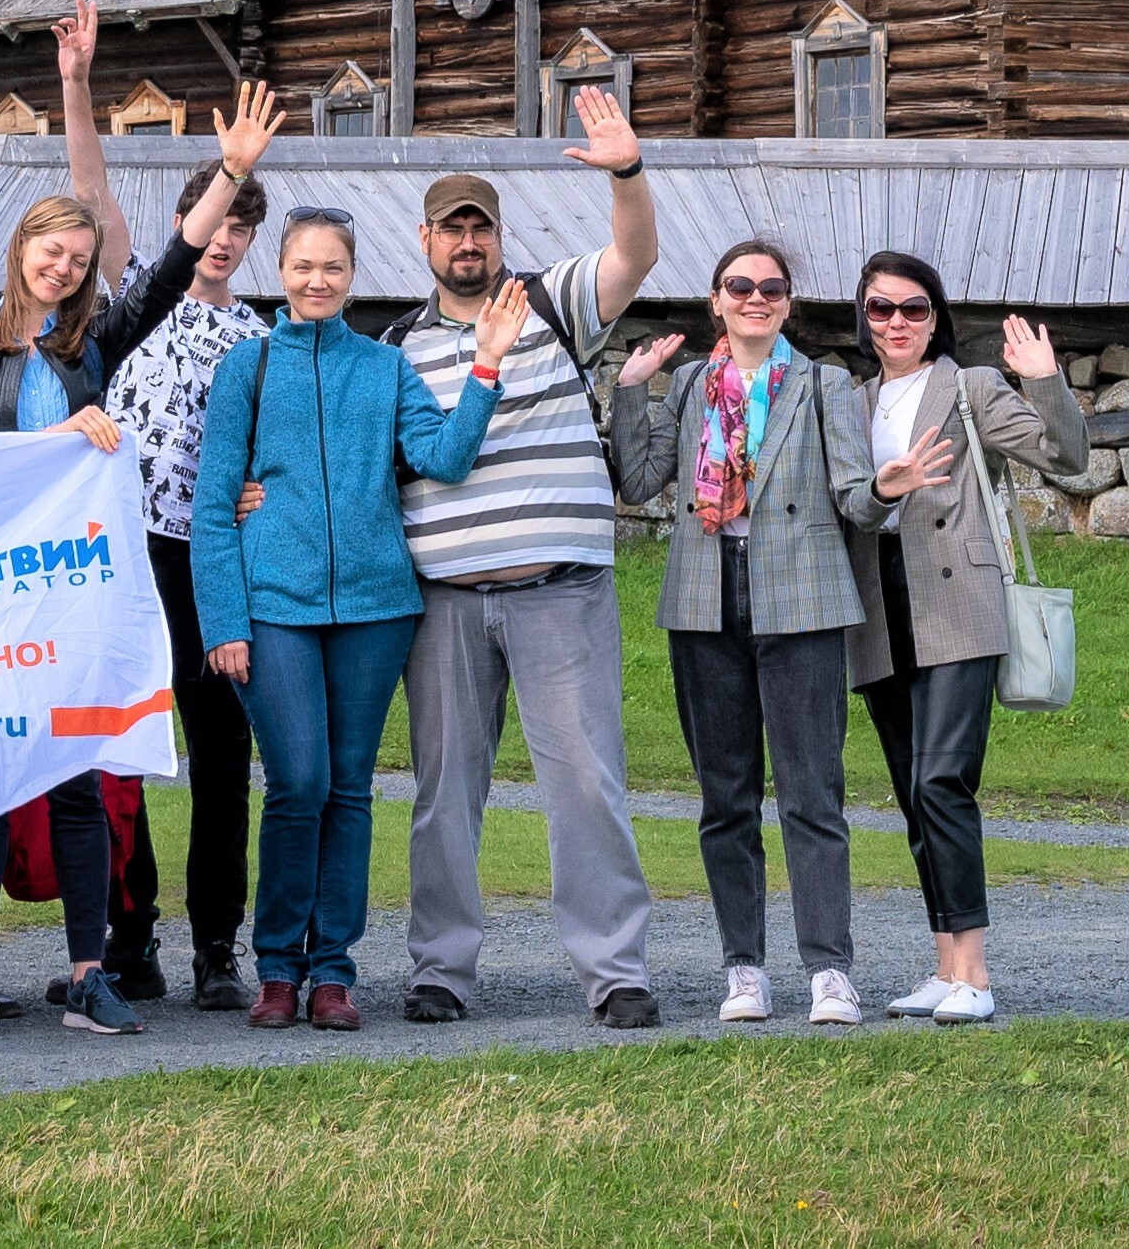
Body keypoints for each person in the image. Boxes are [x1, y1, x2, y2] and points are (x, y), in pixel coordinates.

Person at [190, 210, 516, 1031]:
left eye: (333, 267)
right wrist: (223, 618)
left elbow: (442, 457)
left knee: (348, 787)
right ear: (283, 268)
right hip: (273, 608)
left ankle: (333, 970)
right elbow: (211, 504)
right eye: (303, 265)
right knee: (296, 781)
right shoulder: (248, 367)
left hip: (377, 607)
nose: (317, 281)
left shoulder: (384, 367)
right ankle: (275, 967)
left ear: (353, 272)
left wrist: (484, 369)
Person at [389, 84, 664, 1031]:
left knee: (587, 781)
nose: (468, 243)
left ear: (499, 237)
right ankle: (441, 969)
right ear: (424, 244)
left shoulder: (551, 305)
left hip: (560, 591)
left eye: (481, 228)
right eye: (450, 230)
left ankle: (614, 969)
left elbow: (636, 253)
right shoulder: (395, 348)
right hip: (447, 601)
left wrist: (625, 169)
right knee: (443, 792)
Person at [0, 3, 153, 1042]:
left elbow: (169, 254)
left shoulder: (95, 348)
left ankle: (87, 972)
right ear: (19, 256)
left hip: (72, 597)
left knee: (73, 785)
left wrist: (78, 87)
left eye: (77, 256)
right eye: (47, 254)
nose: (61, 268)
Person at [613, 238, 872, 1028]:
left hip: (802, 601)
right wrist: (630, 389)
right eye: (740, 285)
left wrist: (887, 488)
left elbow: (857, 498)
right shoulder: (692, 382)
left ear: (788, 302)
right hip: (705, 601)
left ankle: (829, 969)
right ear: (716, 300)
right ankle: (744, 967)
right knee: (725, 799)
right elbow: (639, 478)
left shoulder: (827, 383)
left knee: (811, 794)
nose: (756, 297)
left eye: (771, 287)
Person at [833, 254, 1080, 1027]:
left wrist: (1044, 379)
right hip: (881, 612)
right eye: (880, 309)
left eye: (913, 308)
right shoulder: (854, 401)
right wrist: (884, 486)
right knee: (914, 792)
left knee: (943, 779)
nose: (896, 322)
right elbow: (849, 504)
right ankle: (944, 965)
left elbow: (1068, 457)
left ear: (935, 318)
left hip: (960, 607)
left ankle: (974, 971)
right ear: (865, 318)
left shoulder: (970, 389)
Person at [103, 104, 278, 1011]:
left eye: (241, 225)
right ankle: (129, 939)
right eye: (214, 220)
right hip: (127, 548)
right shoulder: (142, 293)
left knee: (219, 749)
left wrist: (258, 490)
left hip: (207, 553)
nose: (224, 238)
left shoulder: (259, 337)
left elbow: (273, 446)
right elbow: (93, 190)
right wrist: (79, 80)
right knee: (122, 744)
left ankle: (218, 943)